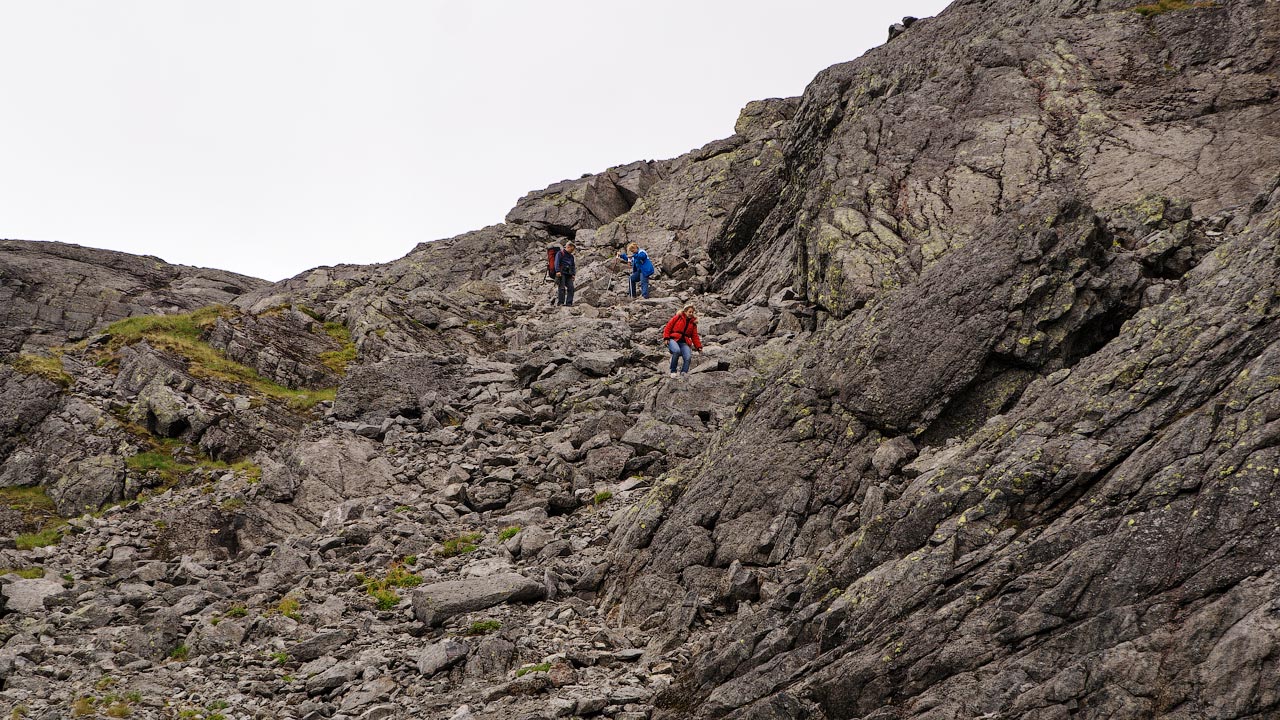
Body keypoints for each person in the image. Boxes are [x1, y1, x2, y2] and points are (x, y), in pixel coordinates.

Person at [662, 304, 702, 377]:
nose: (691, 314)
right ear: (685, 311)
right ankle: (673, 371)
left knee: (688, 356)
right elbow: (668, 327)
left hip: (684, 342)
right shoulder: (678, 317)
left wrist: (698, 347)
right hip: (673, 339)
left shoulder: (693, 323)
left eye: (692, 312)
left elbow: (694, 336)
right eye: (689, 312)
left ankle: (684, 373)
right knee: (676, 351)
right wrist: (666, 338)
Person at [554, 242, 577, 306]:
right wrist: (557, 271)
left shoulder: (571, 256)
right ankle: (560, 303)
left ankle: (569, 303)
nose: (572, 251)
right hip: (561, 273)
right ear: (568, 247)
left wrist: (573, 274)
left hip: (569, 274)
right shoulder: (560, 253)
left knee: (571, 288)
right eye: (571, 250)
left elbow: (573, 265)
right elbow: (556, 262)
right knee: (561, 288)